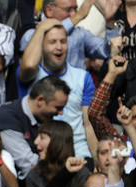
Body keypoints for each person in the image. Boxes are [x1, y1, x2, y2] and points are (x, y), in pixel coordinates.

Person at [19, 20, 96, 162]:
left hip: (78, 153)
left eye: (63, 41)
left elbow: (88, 124)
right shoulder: (30, 75)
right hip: (44, 156)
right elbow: (29, 64)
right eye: (52, 42)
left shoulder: (82, 77)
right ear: (41, 45)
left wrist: (97, 162)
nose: (59, 47)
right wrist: (40, 29)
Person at [19, 0, 121, 69]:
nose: (73, 14)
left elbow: (110, 50)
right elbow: (46, 37)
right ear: (49, 10)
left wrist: (110, 22)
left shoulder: (79, 33)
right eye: (68, 10)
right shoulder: (33, 33)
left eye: (75, 9)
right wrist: (79, 15)